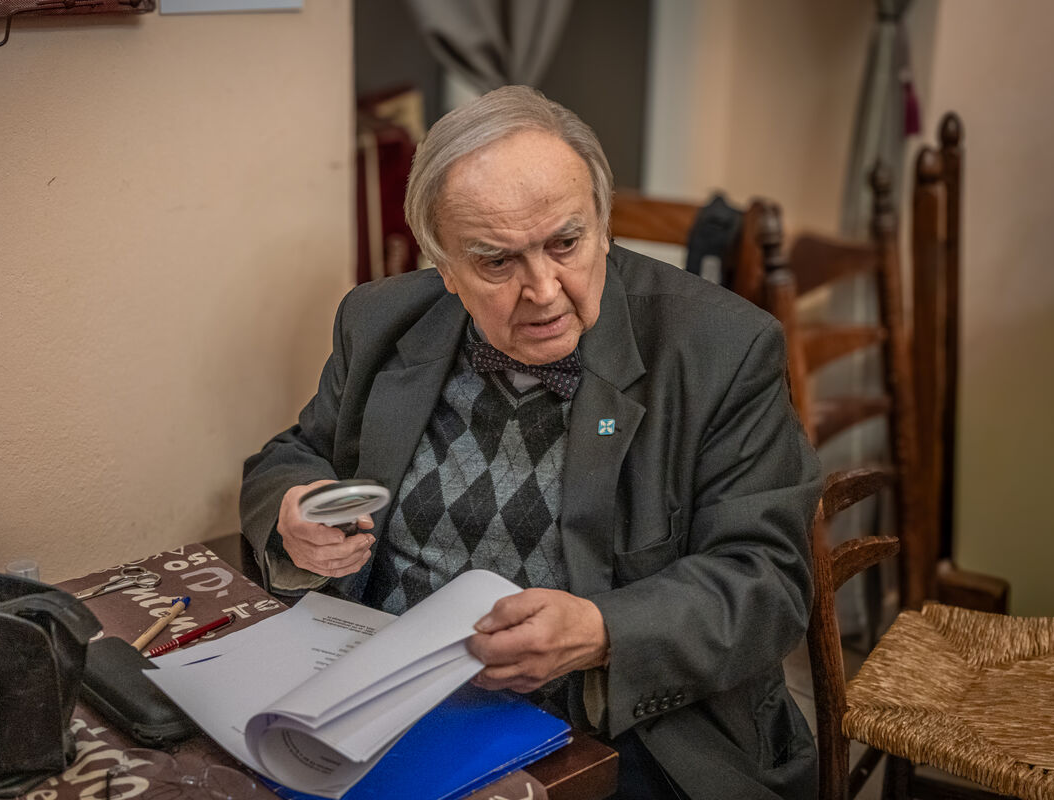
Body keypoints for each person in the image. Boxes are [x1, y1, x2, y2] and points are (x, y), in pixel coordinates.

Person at [240, 85, 820, 799]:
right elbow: (293, 456)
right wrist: (295, 514)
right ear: (444, 269)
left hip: (622, 734)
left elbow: (768, 580)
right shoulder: (380, 320)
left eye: (565, 244)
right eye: (496, 261)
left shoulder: (722, 347)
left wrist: (602, 630)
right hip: (387, 702)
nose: (544, 289)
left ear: (603, 226)